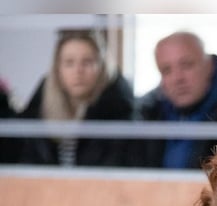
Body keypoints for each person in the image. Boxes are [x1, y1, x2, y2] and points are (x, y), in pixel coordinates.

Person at [14, 29, 136, 167]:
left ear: (102, 67)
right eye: (69, 63)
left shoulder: (120, 113)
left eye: (87, 62)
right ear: (58, 69)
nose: (78, 71)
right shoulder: (39, 109)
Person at [137, 31, 217, 170]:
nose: (177, 78)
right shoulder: (148, 112)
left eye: (187, 65)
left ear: (210, 66)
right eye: (166, 70)